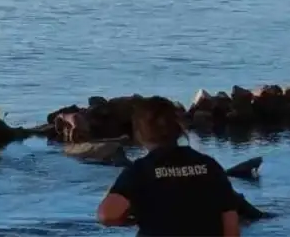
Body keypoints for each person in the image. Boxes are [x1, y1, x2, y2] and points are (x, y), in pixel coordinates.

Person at [96, 96, 241, 236]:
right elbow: (231, 224)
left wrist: (131, 219)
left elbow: (106, 216)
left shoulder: (140, 171)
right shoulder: (209, 165)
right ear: (178, 129)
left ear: (140, 133)